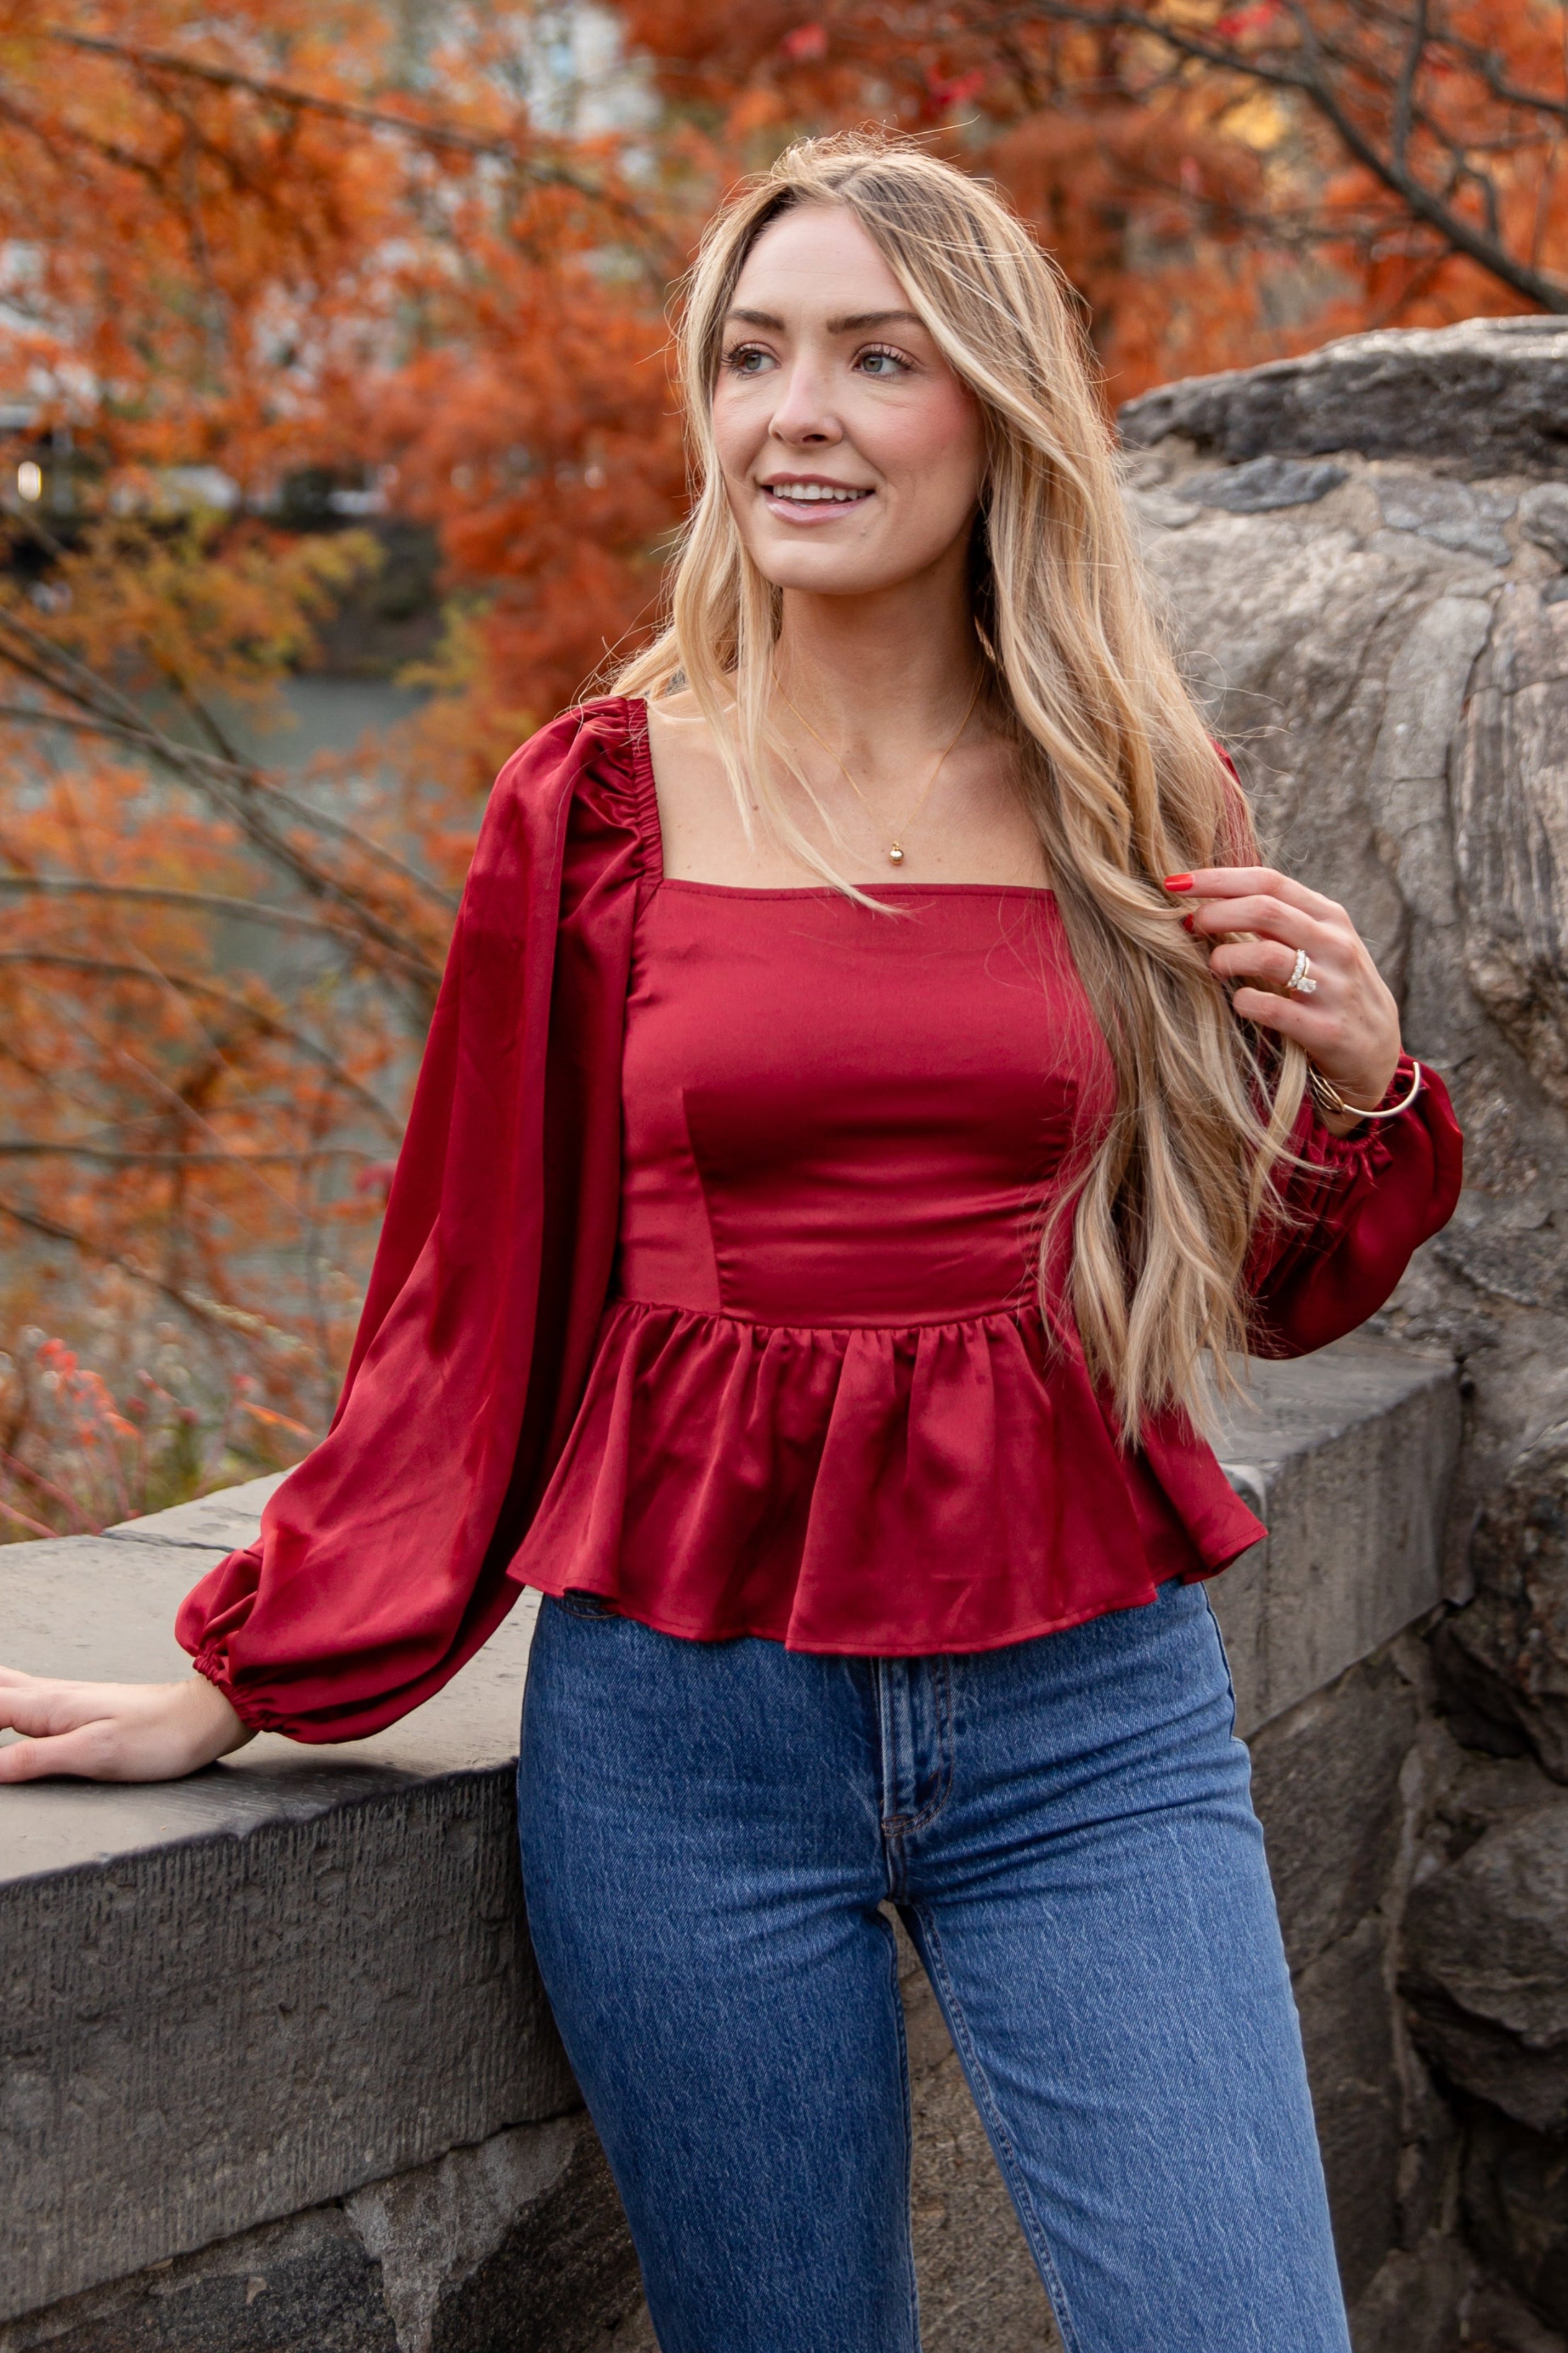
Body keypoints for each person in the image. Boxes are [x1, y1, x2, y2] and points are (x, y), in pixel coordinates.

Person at [0, 136, 1461, 2353]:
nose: (800, 413)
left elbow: (1237, 1287)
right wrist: (251, 1665)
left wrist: (1355, 1085)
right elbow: (469, 1306)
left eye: (879, 358)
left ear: (990, 409)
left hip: (1093, 1724)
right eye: (755, 355)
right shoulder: (590, 807)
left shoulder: (1142, 795)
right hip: (687, 1749)